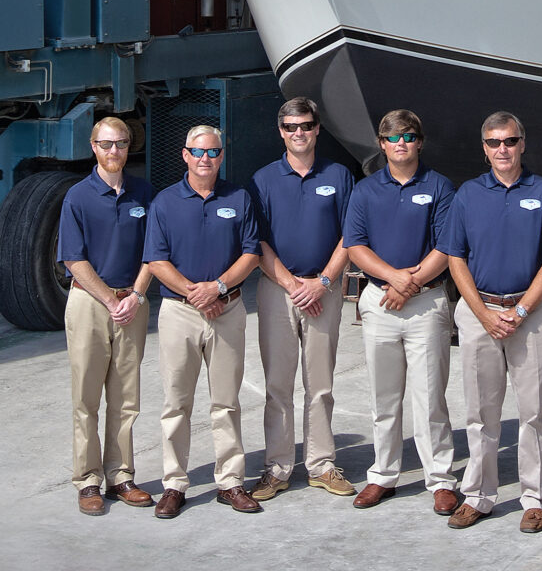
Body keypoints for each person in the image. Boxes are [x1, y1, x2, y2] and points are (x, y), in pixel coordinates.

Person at [440, 111, 542, 534]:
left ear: (522, 144)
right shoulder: (467, 195)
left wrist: (519, 312)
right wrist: (482, 313)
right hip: (480, 314)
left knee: (534, 411)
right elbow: (455, 256)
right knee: (480, 413)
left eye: (510, 141)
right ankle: (478, 496)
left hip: (528, 314)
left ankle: (535, 498)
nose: (503, 149)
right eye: (494, 142)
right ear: (484, 148)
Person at [142, 125, 262, 519]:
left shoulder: (239, 198)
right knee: (176, 403)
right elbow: (157, 260)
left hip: (227, 311)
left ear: (221, 156)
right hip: (180, 313)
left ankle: (230, 481)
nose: (205, 159)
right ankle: (174, 484)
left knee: (226, 403)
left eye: (212, 152)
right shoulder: (164, 202)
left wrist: (219, 287)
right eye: (198, 152)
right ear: (185, 155)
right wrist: (197, 292)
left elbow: (251, 254)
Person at [343, 110, 458, 515]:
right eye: (393, 138)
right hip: (380, 302)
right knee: (384, 397)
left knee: (430, 399)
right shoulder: (366, 190)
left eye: (409, 136)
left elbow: (446, 247)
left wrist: (409, 286)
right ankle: (383, 475)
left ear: (420, 142)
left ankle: (440, 479)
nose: (401, 144)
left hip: (426, 303)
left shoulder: (440, 187)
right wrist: (393, 279)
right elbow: (355, 245)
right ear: (382, 144)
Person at [248, 97, 355, 501]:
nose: (299, 133)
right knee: (278, 385)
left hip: (323, 292)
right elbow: (255, 242)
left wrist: (324, 282)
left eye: (306, 126)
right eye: (291, 126)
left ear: (317, 129)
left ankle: (322, 464)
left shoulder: (339, 175)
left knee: (321, 384)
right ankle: (276, 467)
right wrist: (293, 285)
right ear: (281, 131)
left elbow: (351, 235)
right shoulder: (262, 180)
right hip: (278, 291)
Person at [59, 116, 155, 516]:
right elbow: (73, 258)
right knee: (86, 397)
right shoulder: (77, 197)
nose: (113, 151)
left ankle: (120, 476)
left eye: (120, 143)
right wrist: (109, 299)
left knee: (126, 398)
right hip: (89, 304)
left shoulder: (145, 194)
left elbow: (155, 253)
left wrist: (134, 295)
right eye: (105, 144)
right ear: (93, 146)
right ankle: (88, 481)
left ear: (129, 147)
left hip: (131, 303)